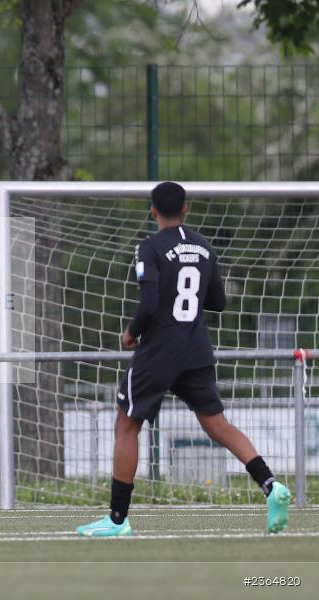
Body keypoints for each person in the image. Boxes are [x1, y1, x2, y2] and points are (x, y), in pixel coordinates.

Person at [77, 181, 291, 537]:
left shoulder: (149, 247)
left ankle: (116, 520)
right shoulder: (205, 247)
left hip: (159, 351)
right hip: (195, 349)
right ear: (186, 209)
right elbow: (218, 302)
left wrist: (130, 333)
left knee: (126, 426)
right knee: (218, 424)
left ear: (153, 211)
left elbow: (148, 304)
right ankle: (270, 484)